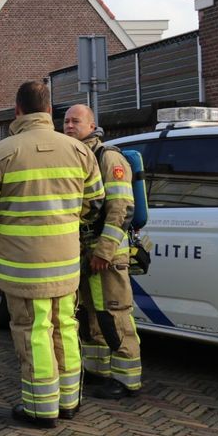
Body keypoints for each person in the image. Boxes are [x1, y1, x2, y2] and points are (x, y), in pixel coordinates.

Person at [0, 81, 102, 428]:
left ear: (17, 110)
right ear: (50, 110)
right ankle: (69, 400)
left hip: (22, 266)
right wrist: (69, 223)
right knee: (66, 326)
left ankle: (41, 408)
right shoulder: (80, 151)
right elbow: (96, 204)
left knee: (34, 330)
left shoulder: (1, 152)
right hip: (67, 264)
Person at [63, 104, 141, 399]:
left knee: (114, 314)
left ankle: (127, 379)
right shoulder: (73, 156)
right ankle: (98, 371)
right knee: (90, 316)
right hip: (83, 252)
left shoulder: (108, 158)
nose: (69, 126)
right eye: (66, 121)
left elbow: (121, 209)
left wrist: (104, 252)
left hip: (106, 254)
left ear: (92, 124)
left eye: (76, 121)